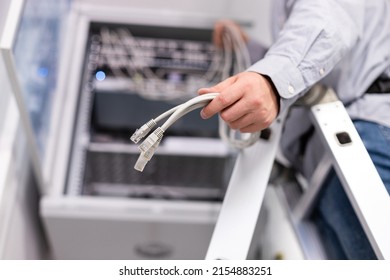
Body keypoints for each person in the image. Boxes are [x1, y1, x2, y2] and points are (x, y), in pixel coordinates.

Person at [198, 0, 390, 259]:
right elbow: (324, 53)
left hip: (364, 143)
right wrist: (251, 51)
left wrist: (270, 81)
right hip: (333, 158)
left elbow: (327, 15)